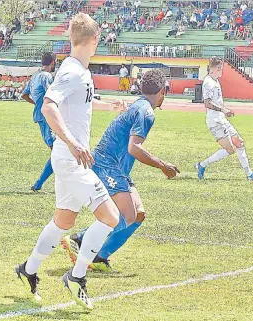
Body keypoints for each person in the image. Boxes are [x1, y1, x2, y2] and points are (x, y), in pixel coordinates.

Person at [14, 13, 127, 310]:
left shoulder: (80, 70)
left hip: (67, 158)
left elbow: (76, 103)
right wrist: (73, 142)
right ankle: (76, 278)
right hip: (71, 159)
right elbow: (50, 106)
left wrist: (106, 104)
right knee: (110, 217)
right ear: (95, 40)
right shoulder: (73, 71)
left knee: (64, 219)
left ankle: (29, 269)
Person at [62, 70, 179, 271]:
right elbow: (134, 147)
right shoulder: (146, 112)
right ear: (162, 91)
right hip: (108, 164)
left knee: (138, 214)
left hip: (117, 167)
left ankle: (99, 256)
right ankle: (79, 239)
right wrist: (162, 165)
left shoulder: (140, 105)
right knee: (127, 215)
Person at [195, 57, 253, 180]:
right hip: (215, 122)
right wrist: (224, 110)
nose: (222, 71)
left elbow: (215, 101)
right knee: (230, 149)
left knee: (239, 143)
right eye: (221, 68)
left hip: (222, 119)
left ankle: (249, 174)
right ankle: (201, 165)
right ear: (216, 68)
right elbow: (207, 103)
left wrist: (225, 110)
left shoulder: (215, 80)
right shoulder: (208, 83)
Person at [22, 52, 58, 192]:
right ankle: (39, 183)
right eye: (55, 62)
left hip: (41, 116)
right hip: (47, 116)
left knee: (58, 152)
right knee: (58, 152)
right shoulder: (46, 76)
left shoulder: (35, 75)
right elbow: (52, 93)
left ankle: (39, 183)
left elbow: (24, 95)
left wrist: (37, 104)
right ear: (52, 62)